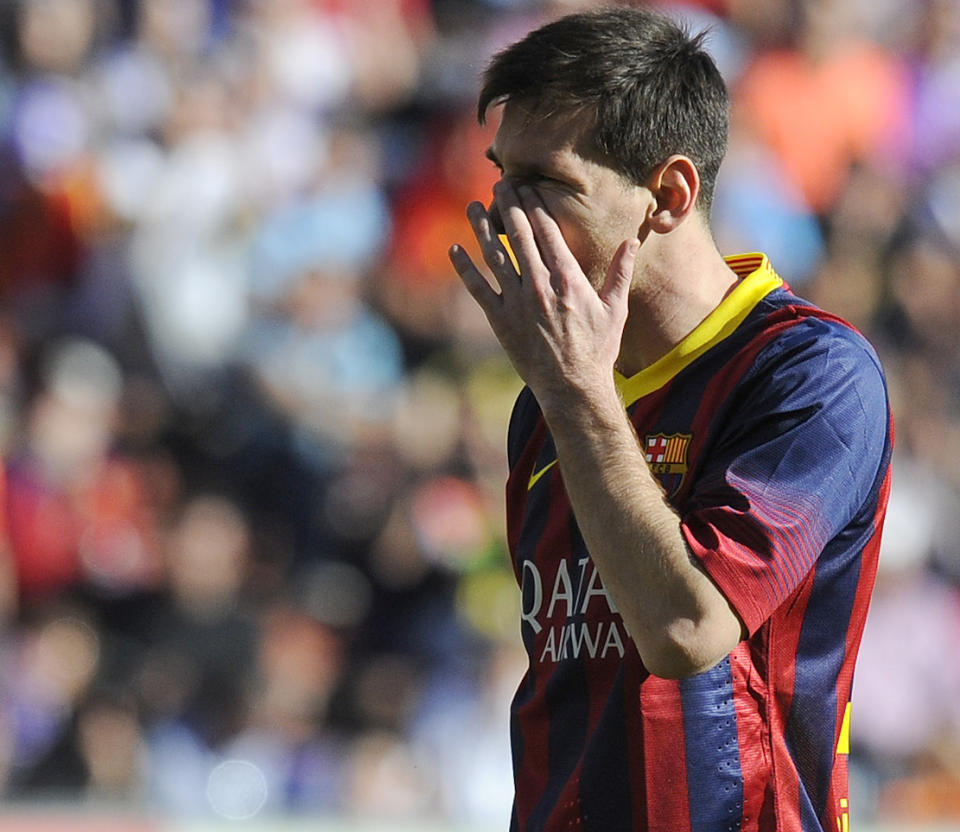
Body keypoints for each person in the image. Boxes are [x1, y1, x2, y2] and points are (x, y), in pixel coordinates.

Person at [448, 7, 893, 832]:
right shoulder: (549, 399)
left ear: (669, 193)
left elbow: (687, 630)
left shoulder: (811, 374)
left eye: (544, 183)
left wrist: (577, 393)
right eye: (499, 177)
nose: (506, 215)